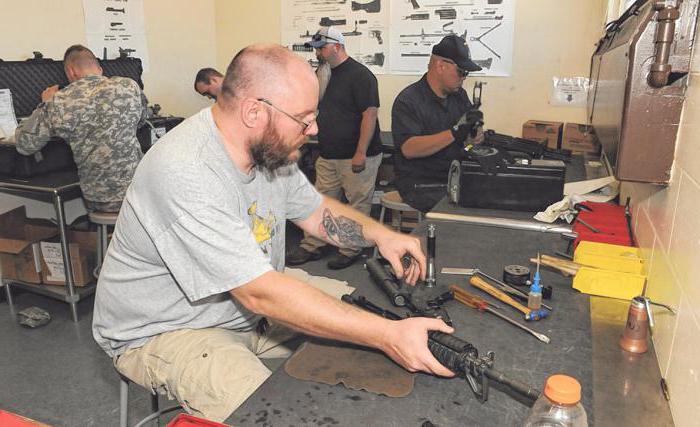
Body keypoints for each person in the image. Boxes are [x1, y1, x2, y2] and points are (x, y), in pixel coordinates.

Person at [92, 44, 454, 422]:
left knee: (366, 316)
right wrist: (384, 335)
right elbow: (260, 293)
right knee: (275, 415)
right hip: (167, 329)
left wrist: (381, 236)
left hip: (243, 306)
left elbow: (316, 212)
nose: (314, 129)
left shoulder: (269, 150)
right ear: (254, 111)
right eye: (304, 118)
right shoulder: (185, 169)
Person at [287, 27, 384, 270]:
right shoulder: (323, 74)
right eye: (316, 48)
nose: (318, 52)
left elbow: (369, 114)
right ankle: (312, 245)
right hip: (329, 153)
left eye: (322, 47)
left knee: (356, 205)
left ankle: (349, 249)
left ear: (337, 47)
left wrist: (361, 152)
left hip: (356, 155)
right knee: (320, 203)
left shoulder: (361, 76)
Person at [15, 44, 147, 213]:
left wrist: (45, 103)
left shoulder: (60, 100)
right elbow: (142, 120)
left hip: (101, 199)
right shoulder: (129, 86)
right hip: (140, 192)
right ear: (99, 69)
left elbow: (25, 145)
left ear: (70, 71)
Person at [391, 35, 485, 213]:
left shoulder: (459, 96)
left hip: (454, 177)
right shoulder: (409, 101)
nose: (464, 78)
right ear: (441, 66)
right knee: (460, 209)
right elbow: (409, 149)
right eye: (461, 72)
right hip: (421, 184)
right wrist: (454, 132)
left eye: (467, 73)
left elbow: (466, 142)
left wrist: (474, 136)